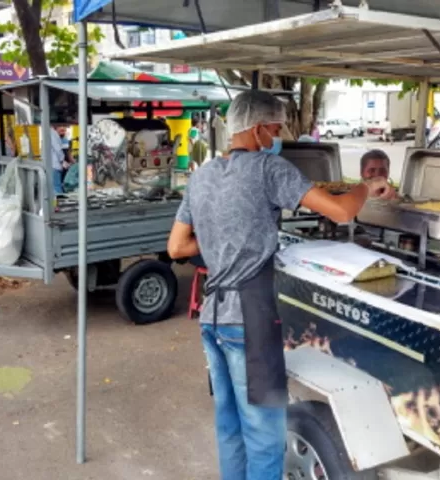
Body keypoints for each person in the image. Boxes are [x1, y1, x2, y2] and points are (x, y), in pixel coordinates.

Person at [166, 90, 392, 480]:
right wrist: (366, 188)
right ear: (256, 130)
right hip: (249, 321)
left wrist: (228, 236)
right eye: (274, 129)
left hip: (212, 319)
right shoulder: (269, 169)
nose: (277, 137)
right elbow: (340, 212)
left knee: (230, 428)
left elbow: (177, 247)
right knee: (265, 438)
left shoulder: (201, 176)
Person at [44, 124, 66, 194]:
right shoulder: (52, 134)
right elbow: (58, 149)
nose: (63, 129)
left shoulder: (50, 133)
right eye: (61, 126)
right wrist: (63, 161)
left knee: (54, 187)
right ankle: (60, 204)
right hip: (54, 166)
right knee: (56, 188)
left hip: (52, 165)